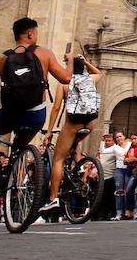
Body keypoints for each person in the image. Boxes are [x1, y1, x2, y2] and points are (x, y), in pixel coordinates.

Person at [0, 17, 73, 183]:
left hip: (10, 114)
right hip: (36, 115)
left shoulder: (1, 59)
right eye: (36, 34)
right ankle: (12, 178)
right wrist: (70, 61)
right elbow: (66, 78)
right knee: (19, 146)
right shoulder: (44, 54)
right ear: (30, 34)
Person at [37, 53, 102, 215]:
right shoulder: (91, 79)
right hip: (90, 123)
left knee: (58, 158)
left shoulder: (65, 84)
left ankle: (53, 198)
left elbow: (57, 108)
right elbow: (100, 73)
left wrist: (49, 132)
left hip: (73, 123)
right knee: (73, 147)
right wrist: (86, 61)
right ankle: (77, 163)